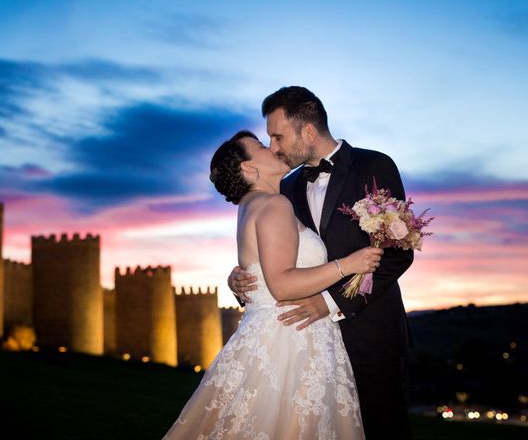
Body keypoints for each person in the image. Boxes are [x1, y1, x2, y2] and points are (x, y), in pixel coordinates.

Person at [163, 130, 383, 439]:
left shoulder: (250, 207)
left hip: (270, 334)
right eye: (262, 147)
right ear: (249, 168)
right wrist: (349, 265)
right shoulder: (274, 204)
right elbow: (281, 285)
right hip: (291, 340)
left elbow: (260, 275)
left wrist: (237, 281)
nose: (273, 149)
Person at [229, 87, 414, 440]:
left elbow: (397, 253)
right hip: (305, 346)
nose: (274, 146)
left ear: (308, 131)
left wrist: (329, 303)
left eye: (278, 136)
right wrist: (239, 278)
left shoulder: (374, 166)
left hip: (370, 334)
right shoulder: (284, 188)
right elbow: (273, 255)